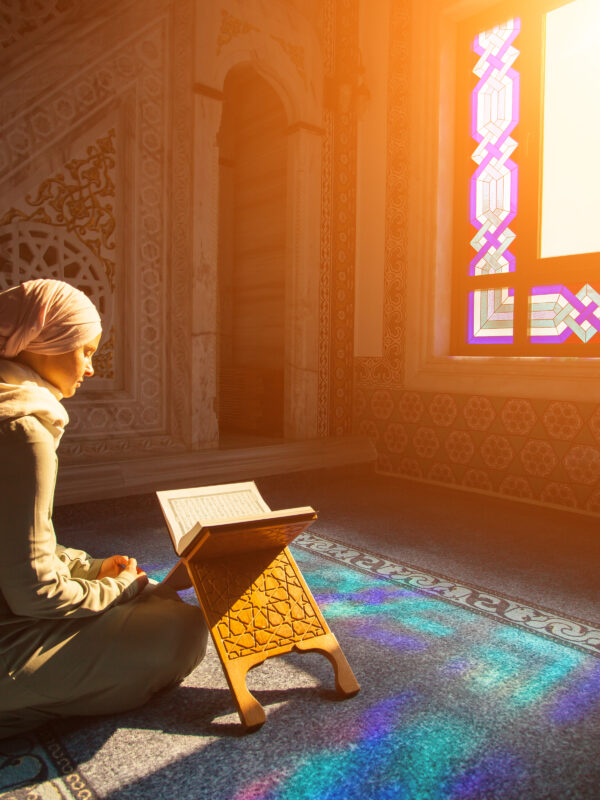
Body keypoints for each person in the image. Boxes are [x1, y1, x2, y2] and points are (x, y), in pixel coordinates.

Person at [0, 279, 207, 738]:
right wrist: (119, 590)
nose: (91, 368)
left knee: (151, 599)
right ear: (44, 343)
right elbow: (35, 595)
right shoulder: (21, 431)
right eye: (86, 351)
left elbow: (11, 547)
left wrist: (91, 569)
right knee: (180, 628)